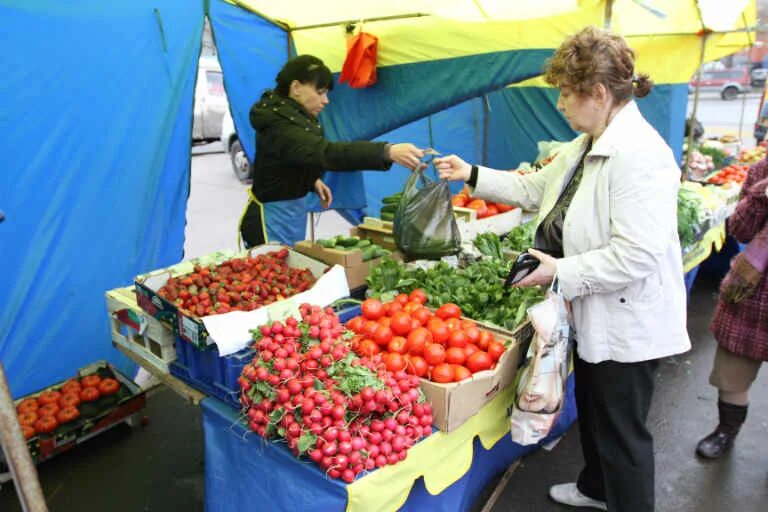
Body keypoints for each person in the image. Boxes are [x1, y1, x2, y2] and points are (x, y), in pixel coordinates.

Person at [435, 26, 690, 512]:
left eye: (565, 95)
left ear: (597, 93)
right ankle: (596, 490)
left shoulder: (641, 156)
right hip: (593, 309)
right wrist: (469, 173)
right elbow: (534, 190)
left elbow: (637, 255)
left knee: (623, 436)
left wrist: (558, 270)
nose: (559, 106)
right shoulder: (585, 143)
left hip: (628, 324)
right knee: (596, 414)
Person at [239, 54, 424, 247]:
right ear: (295, 88)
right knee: (278, 269)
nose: (326, 100)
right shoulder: (280, 124)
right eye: (320, 92)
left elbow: (292, 157)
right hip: (270, 221)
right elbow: (325, 152)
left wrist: (310, 180)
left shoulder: (289, 115)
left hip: (289, 213)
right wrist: (386, 151)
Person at [695, 158, 768, 459]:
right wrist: (762, 194)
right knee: (732, 373)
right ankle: (726, 431)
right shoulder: (761, 170)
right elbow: (739, 230)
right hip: (751, 291)